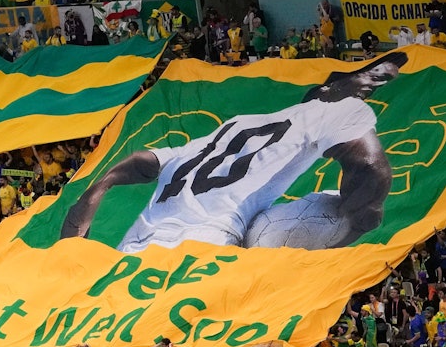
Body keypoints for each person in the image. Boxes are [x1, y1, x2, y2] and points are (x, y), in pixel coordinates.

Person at [61, 53, 408, 250]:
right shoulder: (337, 108)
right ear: (327, 87)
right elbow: (372, 168)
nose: (371, 88)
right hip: (206, 245)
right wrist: (362, 218)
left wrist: (94, 195)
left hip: (137, 244)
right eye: (368, 80)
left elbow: (139, 163)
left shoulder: (236, 126)